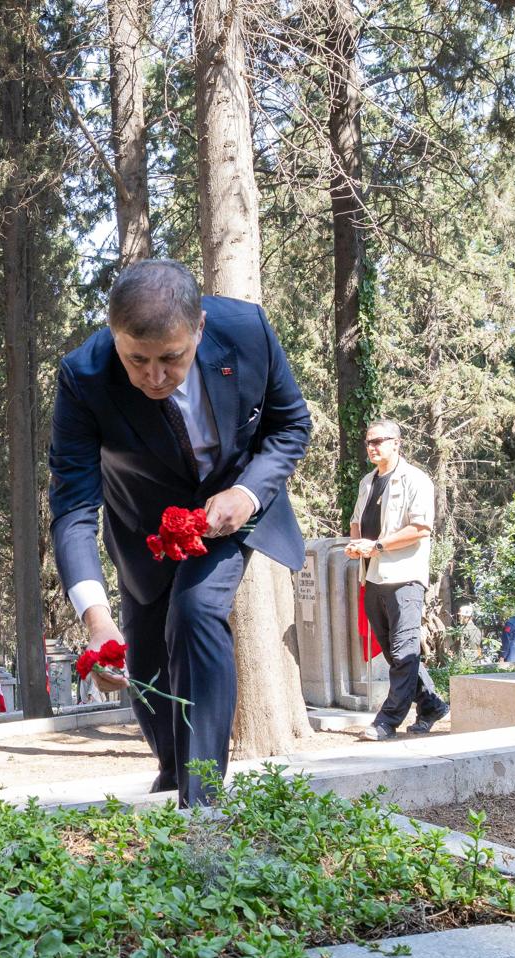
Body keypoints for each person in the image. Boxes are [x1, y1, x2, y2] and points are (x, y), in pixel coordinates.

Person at [49, 259, 311, 805]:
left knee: (194, 613)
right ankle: (175, 775)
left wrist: (247, 493)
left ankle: (204, 804)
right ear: (114, 337)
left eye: (171, 358)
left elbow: (290, 425)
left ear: (199, 329)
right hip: (144, 531)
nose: (153, 376)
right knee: (145, 664)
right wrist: (96, 623)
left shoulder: (248, 332)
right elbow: (74, 507)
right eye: (135, 359)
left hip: (233, 509)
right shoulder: (83, 378)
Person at [345, 419, 451, 740]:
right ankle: (431, 704)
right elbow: (355, 522)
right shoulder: (366, 482)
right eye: (368, 442)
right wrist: (356, 545)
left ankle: (387, 721)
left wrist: (376, 545)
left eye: (378, 441)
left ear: (396, 443)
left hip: (404, 576)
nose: (372, 447)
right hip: (373, 577)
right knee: (394, 653)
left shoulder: (416, 480)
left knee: (404, 649)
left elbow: (420, 528)